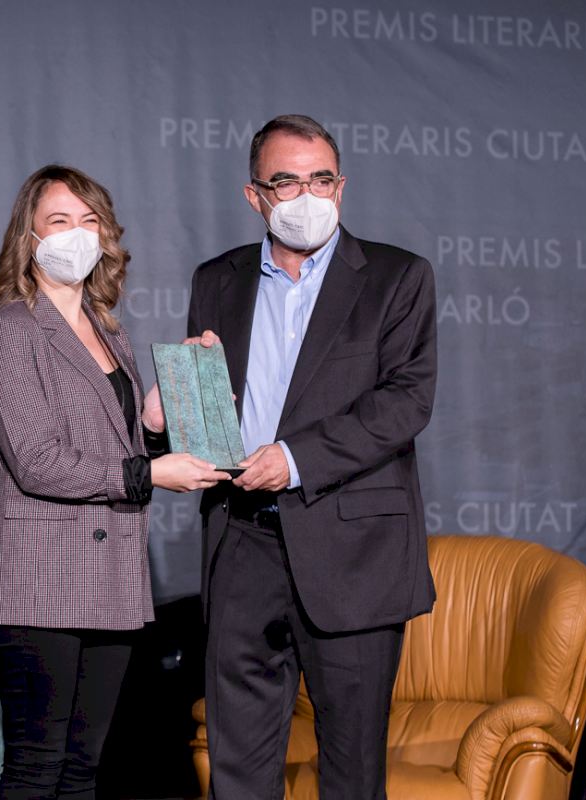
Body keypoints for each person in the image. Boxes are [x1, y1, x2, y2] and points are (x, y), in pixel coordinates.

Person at [183, 115, 437, 799]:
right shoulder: (216, 280)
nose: (307, 196)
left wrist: (294, 458)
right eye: (287, 182)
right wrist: (173, 422)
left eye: (321, 179)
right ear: (255, 196)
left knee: (352, 773)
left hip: (352, 552)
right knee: (238, 771)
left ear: (341, 186)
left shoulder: (397, 277)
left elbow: (405, 403)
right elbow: (208, 405)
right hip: (241, 541)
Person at [0, 164, 228, 799]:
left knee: (84, 768)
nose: (77, 234)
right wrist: (148, 471)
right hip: (38, 577)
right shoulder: (9, 330)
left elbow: (118, 446)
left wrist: (155, 423)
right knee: (37, 766)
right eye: (59, 220)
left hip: (110, 578)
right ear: (29, 236)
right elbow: (37, 462)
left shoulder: (110, 331)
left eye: (89, 221)